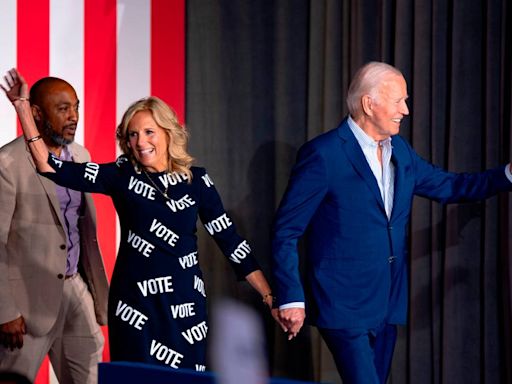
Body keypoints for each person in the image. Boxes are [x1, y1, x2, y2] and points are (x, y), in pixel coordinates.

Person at [2, 68, 282, 372]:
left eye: (149, 132)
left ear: (167, 132)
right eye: (133, 134)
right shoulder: (120, 176)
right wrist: (22, 109)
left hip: (186, 307)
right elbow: (48, 165)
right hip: (135, 306)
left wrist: (269, 295)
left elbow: (231, 242)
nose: (140, 141)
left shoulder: (197, 182)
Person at [271, 61, 512, 383]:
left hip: (387, 303)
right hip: (343, 304)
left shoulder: (401, 150)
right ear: (369, 104)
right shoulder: (324, 154)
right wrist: (291, 297)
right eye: (399, 100)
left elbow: (452, 186)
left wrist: (507, 174)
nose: (406, 110)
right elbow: (286, 230)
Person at [0, 74, 109, 383]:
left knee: (89, 374)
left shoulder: (82, 157)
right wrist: (4, 311)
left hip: (76, 288)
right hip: (26, 301)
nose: (73, 116)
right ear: (36, 112)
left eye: (76, 107)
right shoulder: (8, 163)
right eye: (63, 108)